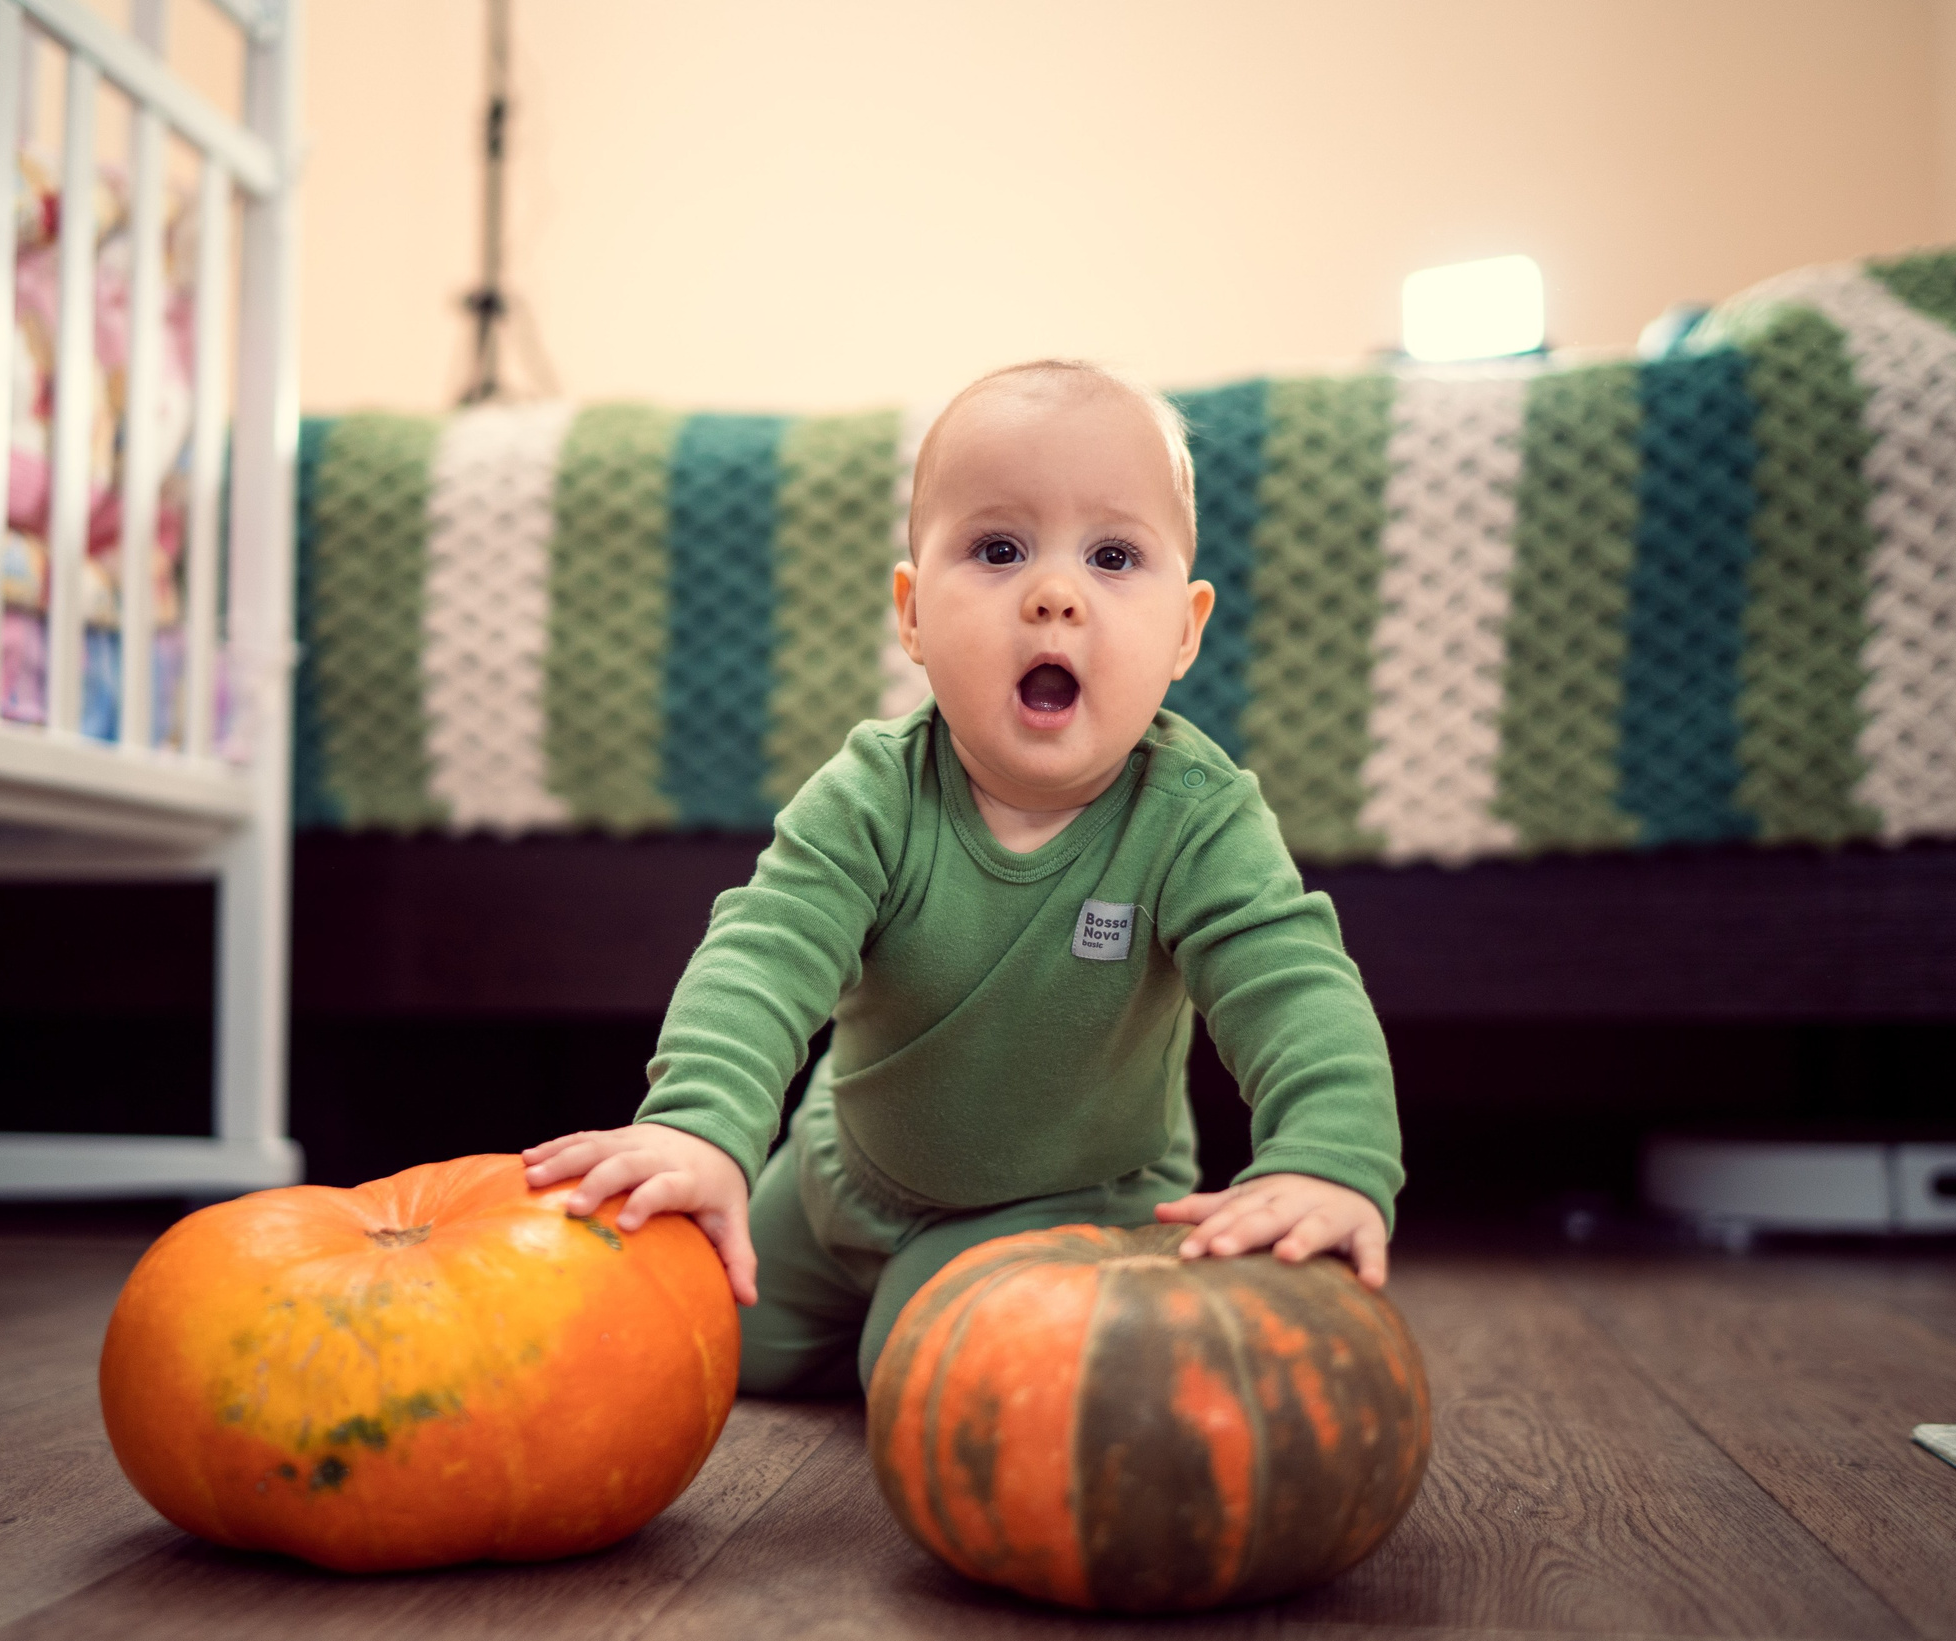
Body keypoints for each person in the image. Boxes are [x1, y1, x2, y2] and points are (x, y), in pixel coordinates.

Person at [522, 359, 1402, 1396]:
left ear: (1184, 631)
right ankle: (825, 1283)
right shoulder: (871, 793)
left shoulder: (1195, 819)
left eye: (1114, 556)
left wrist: (1328, 1158)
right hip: (832, 1174)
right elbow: (764, 952)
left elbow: (1294, 987)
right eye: (997, 549)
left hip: (1055, 1205)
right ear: (910, 615)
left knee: (927, 1374)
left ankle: (951, 1322)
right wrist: (699, 1125)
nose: (1054, 595)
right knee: (685, 1346)